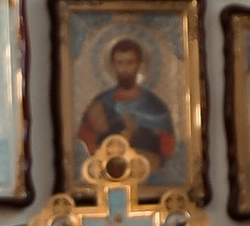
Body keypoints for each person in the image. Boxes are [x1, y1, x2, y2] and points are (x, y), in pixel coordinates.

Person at [75, 35, 179, 174]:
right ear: (112, 65)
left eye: (130, 63)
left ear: (139, 65)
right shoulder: (100, 105)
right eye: (119, 63)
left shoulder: (155, 106)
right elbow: (86, 145)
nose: (124, 69)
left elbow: (167, 150)